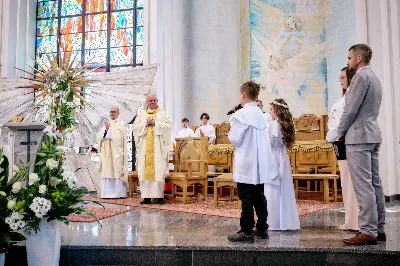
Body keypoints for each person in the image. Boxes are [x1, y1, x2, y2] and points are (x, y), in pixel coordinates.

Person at [338, 44, 385, 245]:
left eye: (349, 58)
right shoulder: (374, 77)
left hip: (358, 137)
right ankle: (379, 228)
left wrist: (339, 131)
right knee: (375, 184)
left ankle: (367, 231)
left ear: (358, 58)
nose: (348, 61)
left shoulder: (360, 77)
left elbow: (350, 109)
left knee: (363, 185)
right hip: (372, 133)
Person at [227, 81, 272, 243]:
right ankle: (262, 228)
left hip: (246, 162)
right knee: (259, 196)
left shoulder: (241, 115)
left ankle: (246, 231)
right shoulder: (261, 115)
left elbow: (235, 139)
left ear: (243, 95)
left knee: (246, 198)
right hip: (259, 163)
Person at [326, 67, 358, 231]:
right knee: (346, 182)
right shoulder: (344, 97)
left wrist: (330, 137)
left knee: (350, 182)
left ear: (350, 78)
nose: (340, 80)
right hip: (339, 143)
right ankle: (349, 220)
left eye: (342, 77)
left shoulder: (351, 98)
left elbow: (342, 123)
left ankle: (354, 221)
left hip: (344, 142)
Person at [265, 99, 300, 230]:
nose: (270, 112)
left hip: (273, 157)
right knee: (283, 189)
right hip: (282, 157)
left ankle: (273, 222)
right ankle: (285, 221)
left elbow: (270, 143)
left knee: (273, 190)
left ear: (277, 111)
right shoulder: (285, 124)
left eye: (271, 110)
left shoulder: (274, 124)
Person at [132, 94, 172, 205]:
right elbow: (135, 128)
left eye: (154, 100)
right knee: (145, 170)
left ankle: (159, 197)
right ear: (147, 101)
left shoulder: (162, 114)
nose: (152, 102)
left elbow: (168, 127)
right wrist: (145, 124)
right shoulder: (141, 115)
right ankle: (146, 197)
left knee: (158, 170)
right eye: (150, 100)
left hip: (158, 149)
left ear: (157, 101)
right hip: (145, 148)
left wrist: (156, 123)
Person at [97, 107, 128, 198]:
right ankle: (106, 193)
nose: (112, 113)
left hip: (116, 152)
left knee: (117, 169)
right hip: (107, 152)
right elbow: (100, 136)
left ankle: (119, 193)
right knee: (107, 170)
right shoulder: (107, 123)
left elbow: (120, 137)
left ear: (118, 113)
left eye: (114, 112)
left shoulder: (122, 124)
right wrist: (106, 130)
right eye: (111, 112)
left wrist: (109, 129)